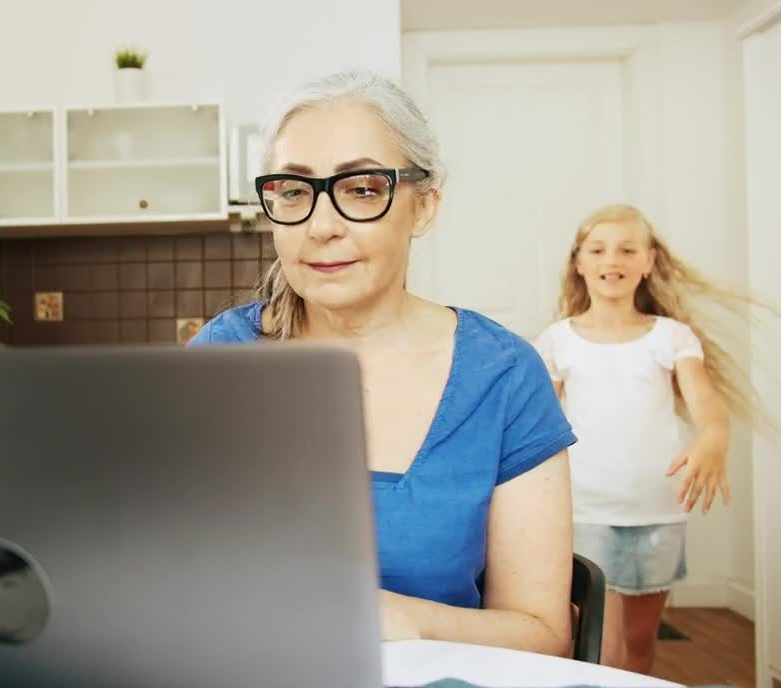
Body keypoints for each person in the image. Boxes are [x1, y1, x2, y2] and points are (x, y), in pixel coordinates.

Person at [188, 69, 577, 657]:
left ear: (423, 207)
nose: (321, 227)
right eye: (293, 192)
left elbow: (543, 635)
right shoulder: (221, 361)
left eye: (362, 189)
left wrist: (395, 618)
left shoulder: (504, 376)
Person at [533, 203, 766, 674]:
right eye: (597, 249)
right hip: (586, 511)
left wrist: (714, 437)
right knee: (603, 647)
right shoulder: (558, 341)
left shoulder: (671, 337)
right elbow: (537, 426)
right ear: (579, 262)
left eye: (626, 249)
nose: (611, 260)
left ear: (648, 262)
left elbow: (707, 406)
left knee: (639, 645)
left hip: (658, 512)